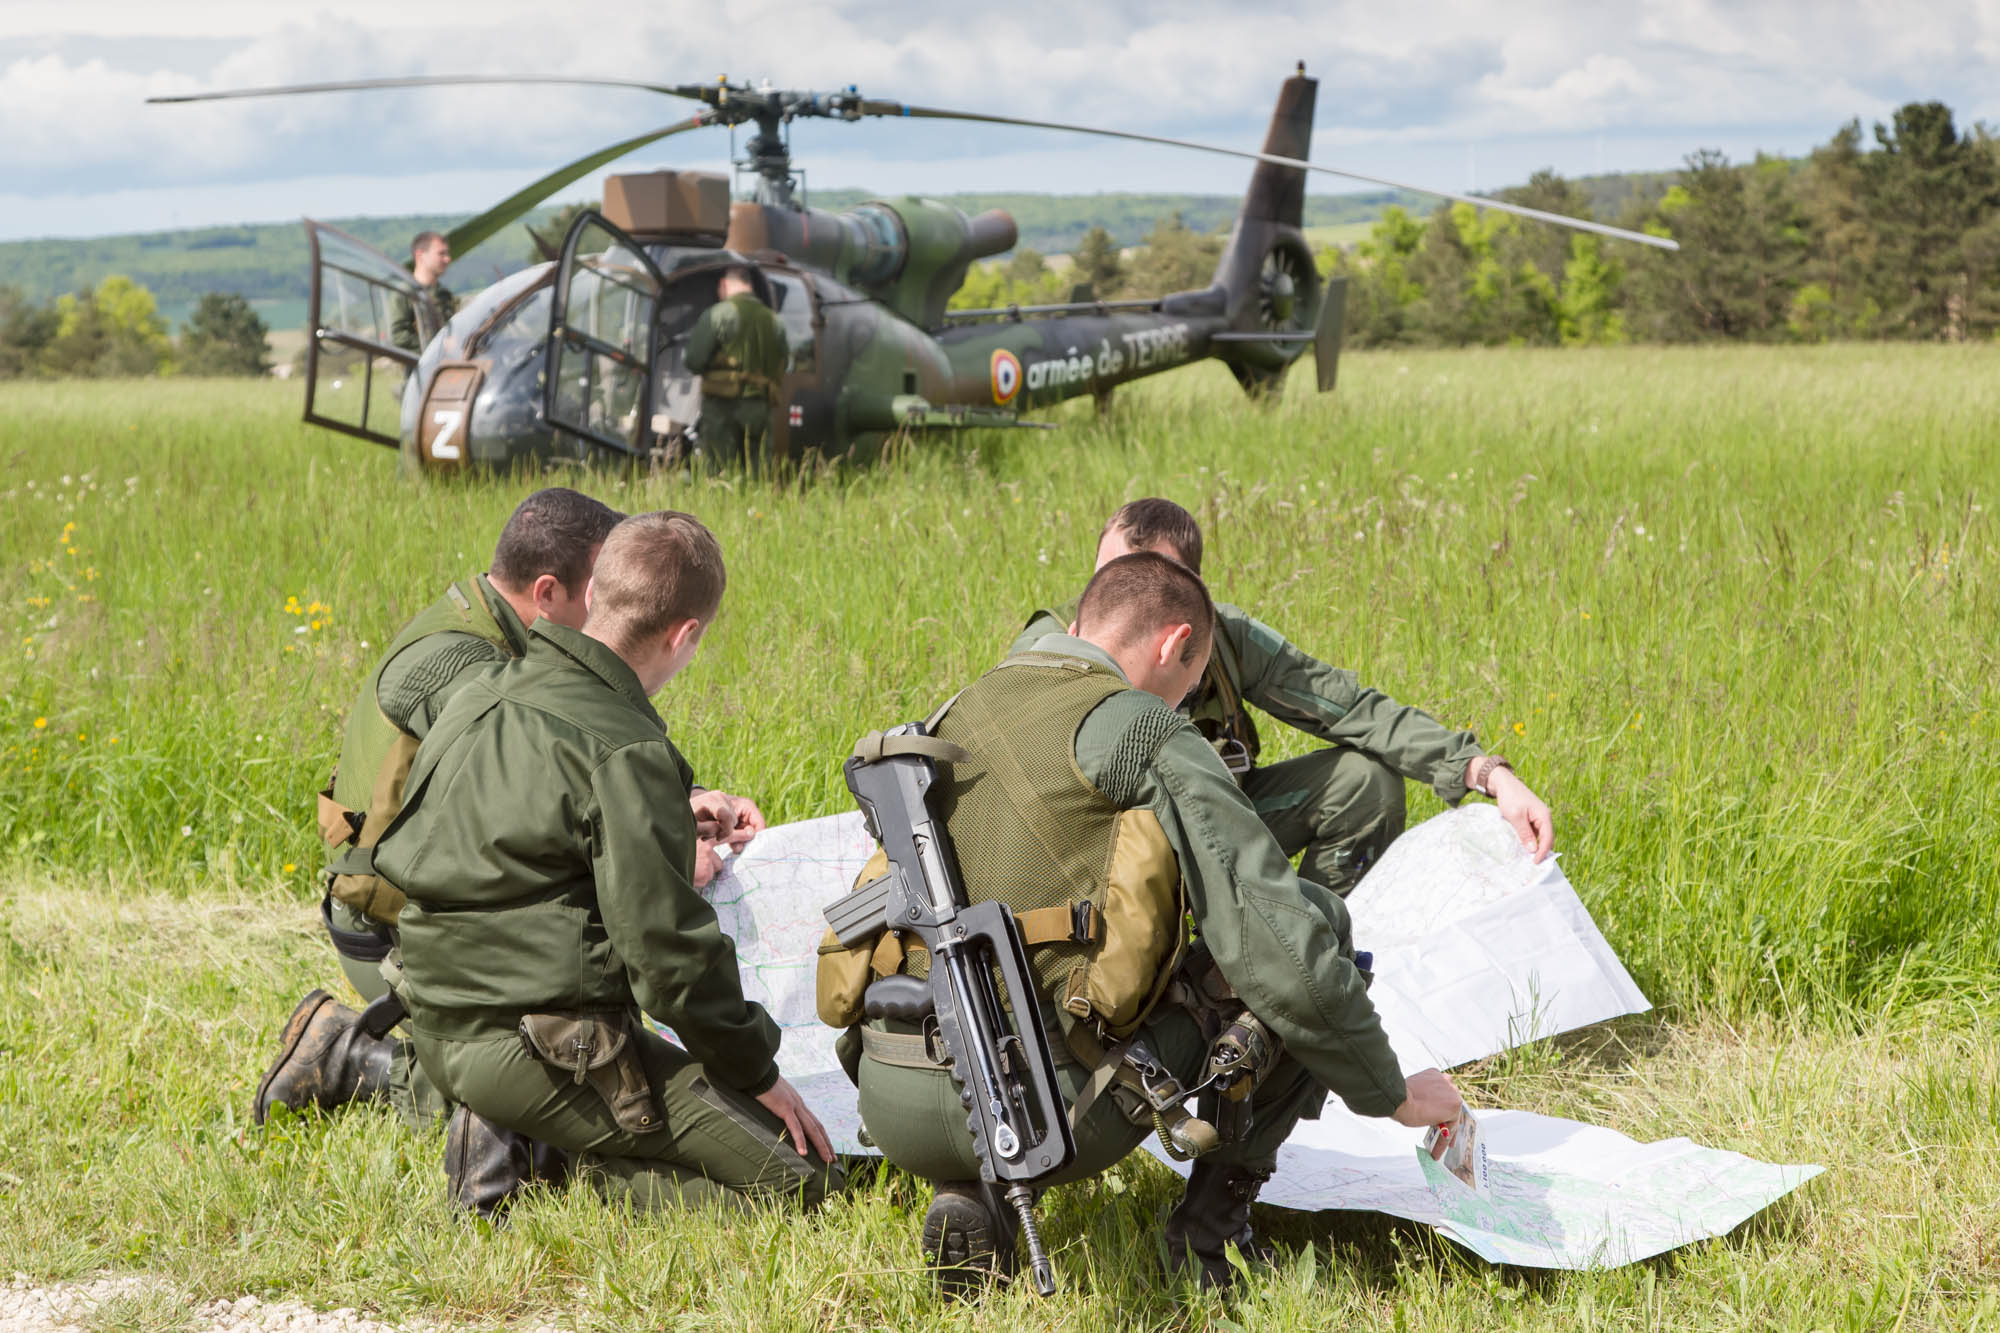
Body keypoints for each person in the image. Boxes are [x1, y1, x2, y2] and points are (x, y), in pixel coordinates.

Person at [821, 552, 1461, 1290]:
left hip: (890, 1091)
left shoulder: (960, 704)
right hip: (1060, 1118)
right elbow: (1282, 945)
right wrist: (1392, 1092)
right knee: (1316, 926)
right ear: (1171, 644)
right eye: (1190, 681)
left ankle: (969, 1192)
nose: (1185, 699)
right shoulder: (1141, 729)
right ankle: (1207, 1243)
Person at [371, 512, 842, 1219]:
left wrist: (670, 818)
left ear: (595, 595)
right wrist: (758, 1072)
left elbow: (529, 832)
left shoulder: (479, 694)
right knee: (803, 1184)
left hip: (434, 1018)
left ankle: (513, 1124)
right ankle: (546, 1158)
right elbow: (668, 961)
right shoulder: (625, 751)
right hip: (541, 1045)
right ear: (685, 635)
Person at [254, 489, 764, 1131]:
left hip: (436, 904)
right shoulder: (463, 670)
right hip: (397, 928)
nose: (615, 607)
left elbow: (554, 785)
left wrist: (679, 806)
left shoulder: (497, 638)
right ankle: (365, 1063)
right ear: (548, 592)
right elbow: (526, 806)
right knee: (597, 985)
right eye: (601, 590)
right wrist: (659, 856)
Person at [1011, 498, 1553, 894]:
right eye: (1110, 575)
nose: (1121, 595)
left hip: (1214, 825)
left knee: (1364, 784)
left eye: (1145, 579)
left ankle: (1315, 965)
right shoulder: (1052, 646)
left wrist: (1487, 773)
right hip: (1101, 856)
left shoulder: (1224, 640)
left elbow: (1349, 707)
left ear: (1192, 590)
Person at [683, 267, 788, 468]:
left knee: (717, 470)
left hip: (723, 409)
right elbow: (786, 362)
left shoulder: (718, 314)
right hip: (760, 408)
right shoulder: (775, 321)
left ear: (723, 284)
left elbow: (694, 360)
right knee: (757, 473)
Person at [390, 230, 459, 352]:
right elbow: (398, 337)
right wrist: (439, 346)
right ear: (420, 255)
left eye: (447, 254)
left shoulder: (445, 294)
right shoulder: (405, 293)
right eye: (441, 254)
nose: (447, 259)